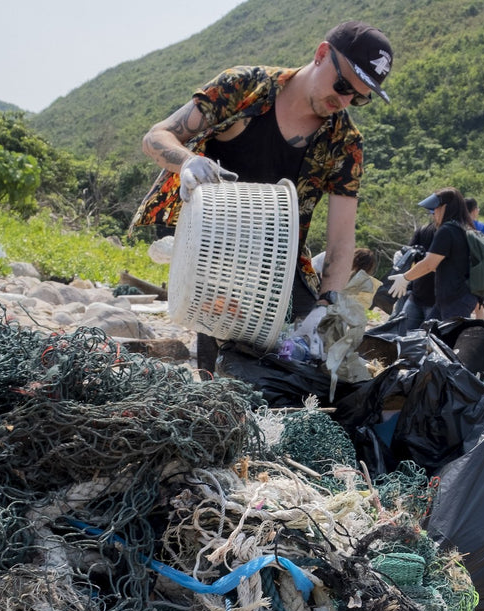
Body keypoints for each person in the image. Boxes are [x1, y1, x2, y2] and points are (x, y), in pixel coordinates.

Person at [133, 21, 394, 374]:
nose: (345, 100)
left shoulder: (345, 142)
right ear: (321, 54)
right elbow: (156, 137)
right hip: (214, 263)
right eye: (343, 84)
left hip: (282, 269)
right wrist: (188, 162)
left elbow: (340, 241)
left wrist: (326, 304)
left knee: (303, 373)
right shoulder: (244, 87)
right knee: (222, 382)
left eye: (359, 97)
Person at [389, 188, 477, 321]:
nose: (433, 213)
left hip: (454, 300)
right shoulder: (464, 228)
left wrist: (405, 278)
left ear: (445, 208)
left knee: (442, 339)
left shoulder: (446, 230)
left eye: (436, 208)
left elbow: (430, 264)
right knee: (427, 336)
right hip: (457, 298)